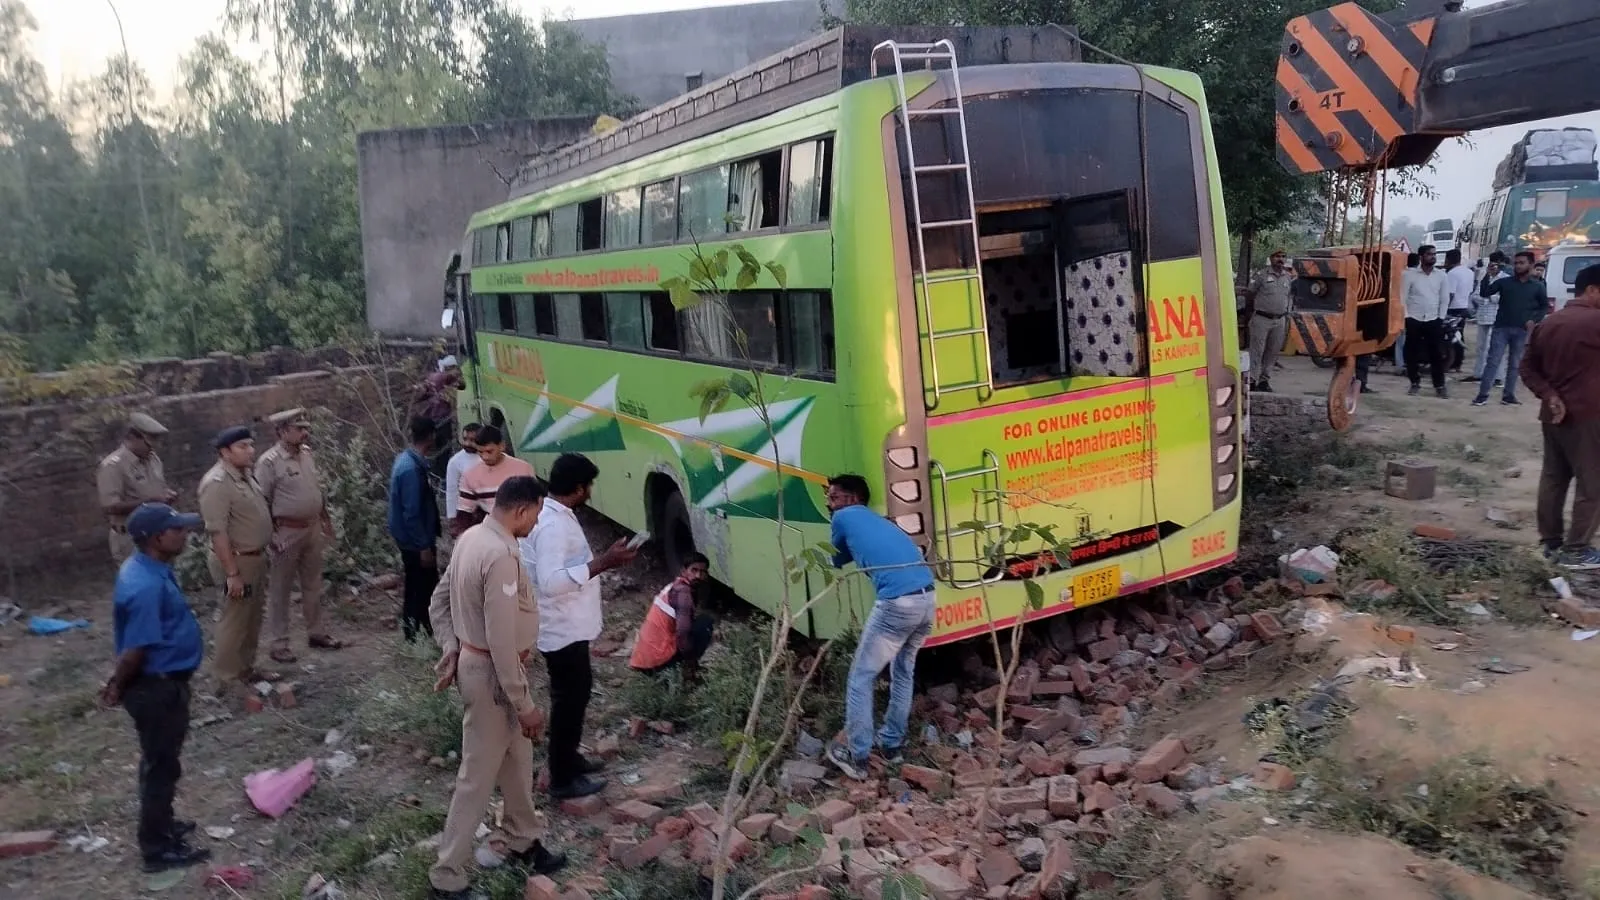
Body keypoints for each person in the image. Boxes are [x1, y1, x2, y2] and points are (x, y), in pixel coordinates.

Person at [425, 476, 567, 899]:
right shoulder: (501, 554)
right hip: (494, 675)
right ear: (522, 510)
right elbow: (502, 641)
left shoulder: (471, 537)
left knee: (517, 761)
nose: (536, 523)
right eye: (537, 514)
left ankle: (524, 839)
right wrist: (524, 704)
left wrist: (451, 646)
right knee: (476, 777)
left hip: (481, 663)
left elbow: (439, 599)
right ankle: (447, 875)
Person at [101, 503, 211, 873]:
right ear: (155, 538)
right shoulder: (144, 584)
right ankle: (156, 849)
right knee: (160, 768)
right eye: (177, 529)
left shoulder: (151, 568)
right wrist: (118, 684)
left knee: (163, 763)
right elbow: (135, 651)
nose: (184, 534)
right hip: (156, 688)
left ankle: (162, 826)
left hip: (163, 684)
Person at [523, 452, 637, 800]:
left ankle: (569, 761)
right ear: (577, 488)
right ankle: (561, 778)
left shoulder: (552, 515)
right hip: (561, 629)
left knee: (576, 696)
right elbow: (552, 582)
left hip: (567, 626)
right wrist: (605, 562)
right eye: (588, 486)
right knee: (569, 701)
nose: (590, 492)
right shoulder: (553, 526)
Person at [823, 473, 937, 781]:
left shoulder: (844, 518)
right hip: (927, 599)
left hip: (896, 604)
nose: (830, 504)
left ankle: (857, 756)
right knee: (903, 670)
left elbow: (834, 560)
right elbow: (849, 553)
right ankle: (892, 744)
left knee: (861, 676)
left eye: (834, 498)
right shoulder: (880, 521)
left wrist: (834, 527)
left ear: (853, 499)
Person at [1521, 262, 1600, 569]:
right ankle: (1577, 549)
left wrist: (1550, 395)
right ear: (1592, 290)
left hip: (1553, 414)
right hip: (1590, 414)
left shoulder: (1549, 323)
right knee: (1592, 483)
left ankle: (1551, 542)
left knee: (1554, 478)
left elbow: (1526, 368)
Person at [256, 408, 341, 663]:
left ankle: (316, 632)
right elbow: (261, 502)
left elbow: (316, 489)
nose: (305, 433)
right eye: (299, 429)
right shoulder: (269, 462)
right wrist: (270, 536)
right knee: (280, 589)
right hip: (286, 532)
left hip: (311, 527)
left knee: (313, 584)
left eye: (306, 428)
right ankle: (279, 642)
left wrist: (325, 519)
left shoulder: (306, 455)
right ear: (282, 431)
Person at [199, 425, 277, 690]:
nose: (250, 451)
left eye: (250, 445)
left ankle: (246, 668)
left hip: (255, 557)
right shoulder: (217, 483)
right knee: (235, 618)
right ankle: (226, 677)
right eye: (243, 446)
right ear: (225, 452)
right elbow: (217, 532)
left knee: (253, 615)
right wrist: (232, 573)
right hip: (236, 560)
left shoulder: (244, 475)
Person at [388, 417, 441, 642]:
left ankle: (422, 630)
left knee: (421, 585)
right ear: (431, 436)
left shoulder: (408, 461)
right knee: (421, 587)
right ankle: (415, 633)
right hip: (415, 541)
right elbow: (412, 513)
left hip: (411, 538)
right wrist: (424, 547)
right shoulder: (411, 470)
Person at [98, 413, 178, 562]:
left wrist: (166, 496)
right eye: (149, 443)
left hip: (157, 534)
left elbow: (157, 487)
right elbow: (110, 506)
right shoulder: (114, 466)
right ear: (132, 438)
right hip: (130, 538)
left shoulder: (153, 459)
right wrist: (150, 501)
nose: (153, 448)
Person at [1474, 250, 1549, 407]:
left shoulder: (1538, 286)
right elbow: (1485, 292)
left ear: (1531, 265)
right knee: (1493, 361)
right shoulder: (1505, 282)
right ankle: (1482, 395)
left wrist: (1534, 320)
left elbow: (1544, 307)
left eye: (1522, 263)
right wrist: (1487, 275)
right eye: (1516, 263)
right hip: (1501, 328)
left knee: (1515, 364)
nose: (1518, 266)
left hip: (1522, 330)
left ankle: (1508, 395)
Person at [628, 551, 715, 678]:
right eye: (694, 570)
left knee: (696, 624)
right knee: (705, 623)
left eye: (702, 572)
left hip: (643, 659)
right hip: (657, 662)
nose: (698, 575)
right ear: (684, 571)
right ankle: (684, 672)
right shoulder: (683, 594)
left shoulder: (675, 586)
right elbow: (683, 633)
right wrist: (691, 662)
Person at [454, 426, 535, 536]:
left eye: (489, 451)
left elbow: (536, 503)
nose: (485, 457)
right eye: (480, 452)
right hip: (492, 534)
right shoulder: (470, 475)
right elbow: (464, 514)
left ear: (502, 446)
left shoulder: (523, 469)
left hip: (525, 532)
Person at [1403, 244, 1451, 398]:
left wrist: (1441, 318)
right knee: (1412, 353)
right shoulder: (1409, 275)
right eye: (1430, 254)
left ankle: (1439, 385)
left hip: (1433, 319)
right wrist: (1406, 317)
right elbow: (1402, 298)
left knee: (1436, 353)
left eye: (1434, 254)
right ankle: (1414, 382)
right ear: (1421, 257)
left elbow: (1444, 298)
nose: (1433, 257)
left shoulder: (1441, 275)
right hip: (1414, 318)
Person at [1243, 249, 1293, 392]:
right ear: (1271, 258)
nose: (1280, 259)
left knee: (1272, 351)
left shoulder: (1288, 277)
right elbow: (1250, 293)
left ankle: (1265, 380)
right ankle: (1252, 380)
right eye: (1277, 256)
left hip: (1279, 320)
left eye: (1283, 256)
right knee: (1256, 351)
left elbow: (1289, 296)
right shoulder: (1261, 275)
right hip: (1261, 318)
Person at [1465, 251, 1510, 386]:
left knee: (1495, 347)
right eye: (1492, 263)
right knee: (1480, 347)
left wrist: (1489, 297)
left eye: (1497, 263)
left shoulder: (1506, 278)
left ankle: (1497, 377)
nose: (1494, 266)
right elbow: (1475, 295)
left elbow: (1503, 298)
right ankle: (1479, 374)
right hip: (1483, 316)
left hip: (1497, 317)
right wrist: (1485, 299)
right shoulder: (1485, 277)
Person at [1445, 249, 1475, 373]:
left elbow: (1450, 294)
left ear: (1449, 259)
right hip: (1464, 306)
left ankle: (1452, 363)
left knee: (1450, 337)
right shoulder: (1469, 272)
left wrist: (1444, 308)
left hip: (1453, 307)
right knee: (1459, 335)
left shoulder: (1452, 274)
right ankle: (1458, 363)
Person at [444, 422, 482, 515]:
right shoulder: (455, 461)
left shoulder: (489, 456)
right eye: (465, 439)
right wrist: (452, 517)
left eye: (472, 440)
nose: (467, 443)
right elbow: (452, 492)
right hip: (467, 513)